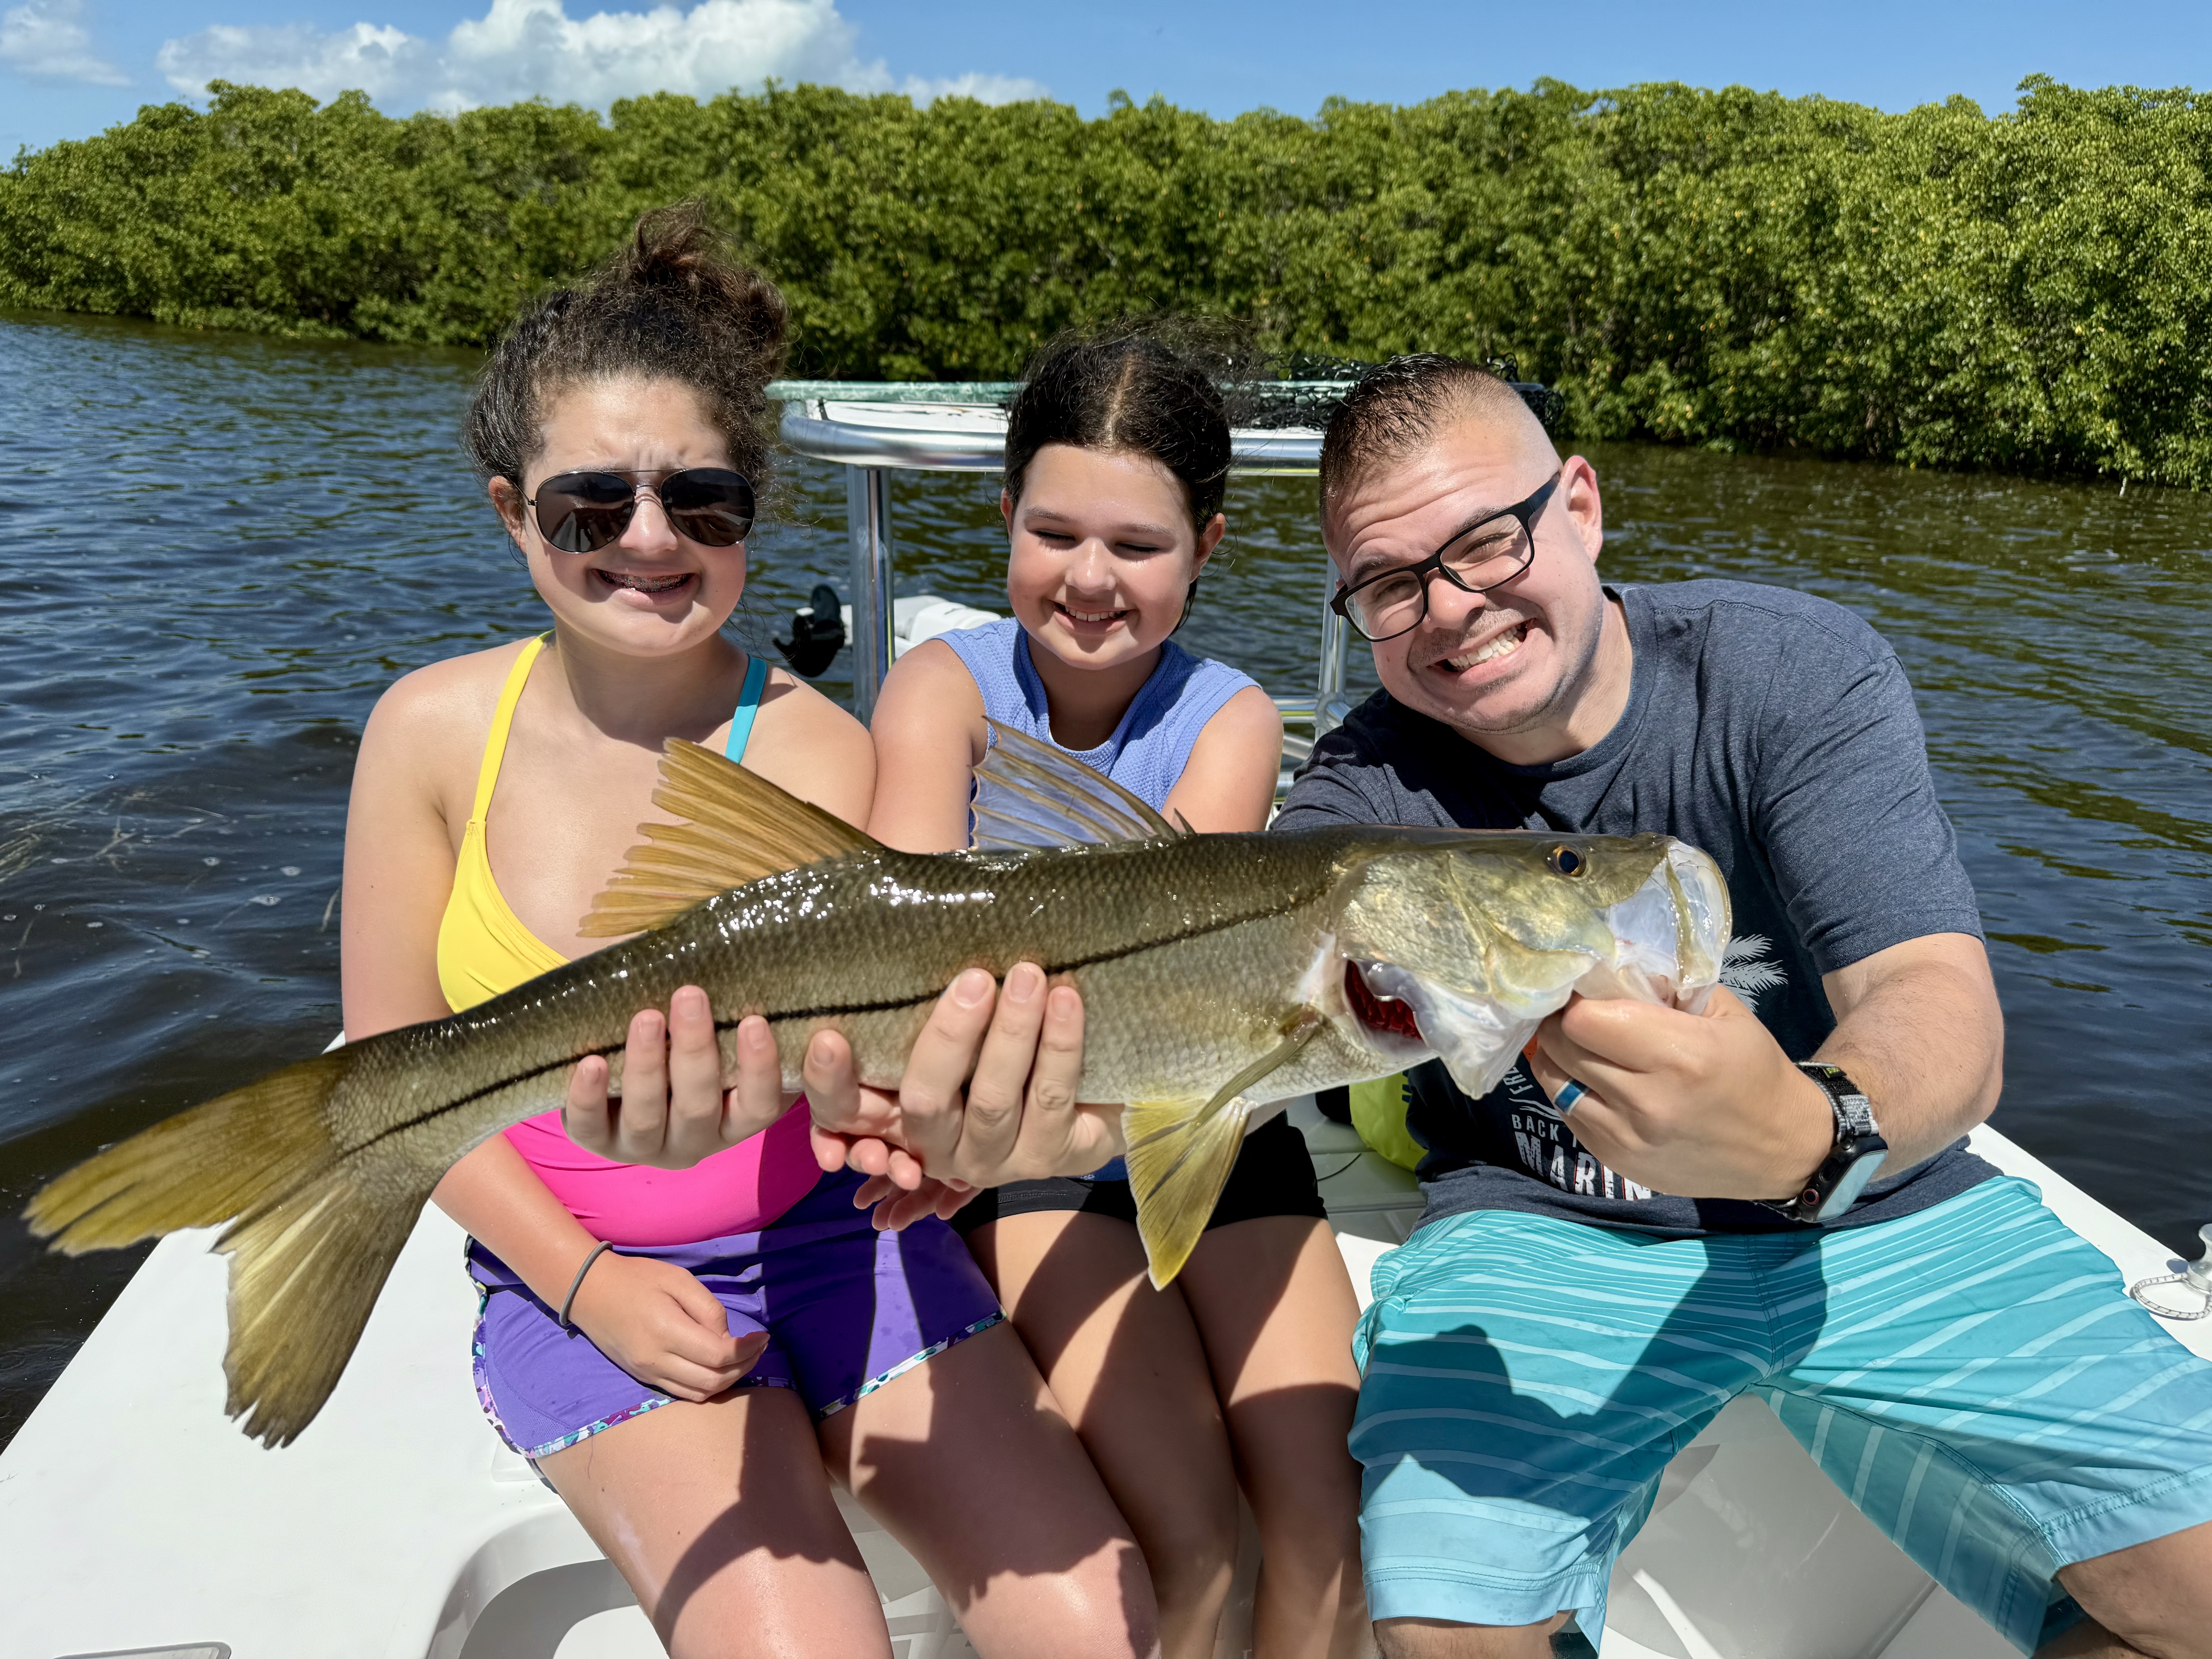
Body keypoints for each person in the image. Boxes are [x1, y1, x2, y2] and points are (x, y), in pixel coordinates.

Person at [689, 354, 2212, 1659]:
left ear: (1582, 505)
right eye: (1392, 584)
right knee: (1437, 1621)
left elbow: (1940, 1002)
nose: (1454, 609)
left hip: (1889, 1204)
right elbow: (1195, 1046)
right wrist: (1014, 1133)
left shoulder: (1791, 670)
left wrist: (1817, 1130)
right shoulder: (1360, 790)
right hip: (1548, 1229)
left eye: (1489, 541)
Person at [339, 205, 1157, 1659]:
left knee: (1105, 1624)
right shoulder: (429, 732)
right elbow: (391, 1068)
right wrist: (590, 1284)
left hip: (837, 1244)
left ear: (750, 515)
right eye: (591, 504)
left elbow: (881, 1072)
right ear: (511, 509)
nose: (650, 540)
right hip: (574, 1269)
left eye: (702, 501)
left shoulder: (823, 750)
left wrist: (934, 1150)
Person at [864, 325, 1370, 1659]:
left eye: (1139, 545)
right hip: (1030, 1146)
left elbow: (1182, 980)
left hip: (1218, 1123)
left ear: (1207, 547)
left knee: (1331, 1510)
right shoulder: (940, 690)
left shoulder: (1234, 716)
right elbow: (907, 957)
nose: (1090, 578)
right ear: (1007, 517)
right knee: (1192, 1533)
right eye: (1055, 532)